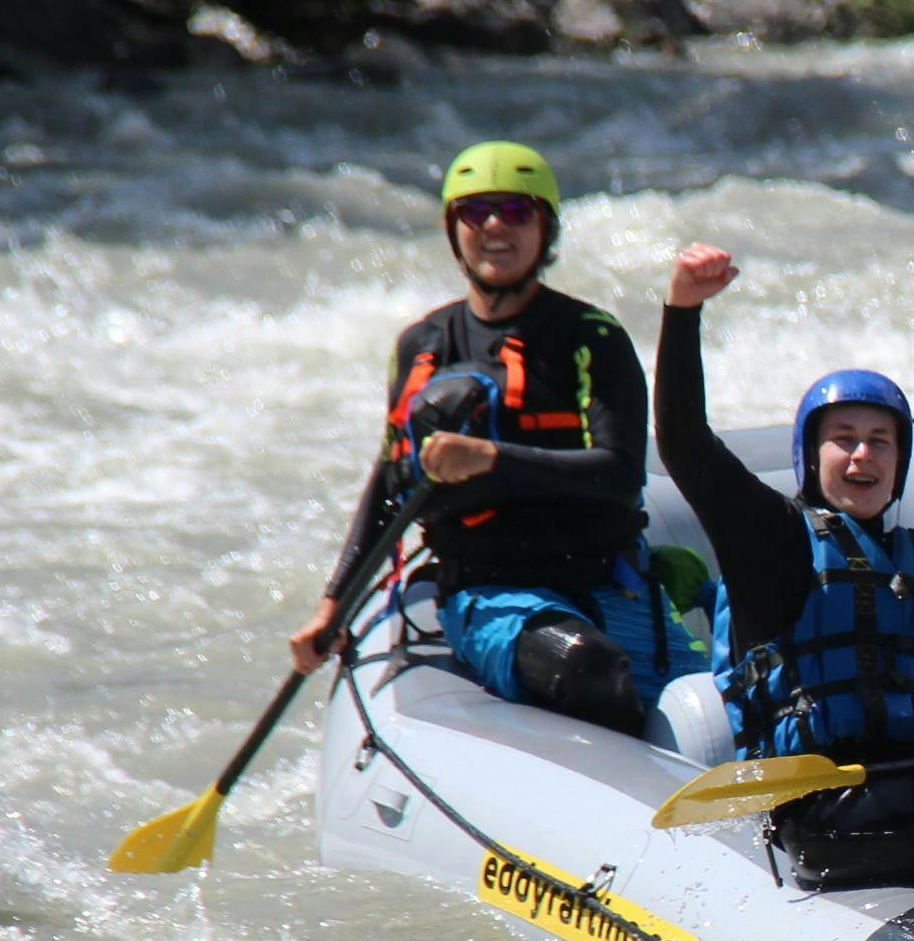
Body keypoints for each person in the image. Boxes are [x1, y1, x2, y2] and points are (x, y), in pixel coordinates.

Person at [291, 140, 700, 728]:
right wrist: (334, 604)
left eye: (515, 212)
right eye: (475, 212)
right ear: (453, 229)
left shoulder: (591, 338)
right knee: (587, 668)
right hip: (492, 595)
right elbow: (390, 480)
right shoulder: (422, 346)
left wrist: (490, 459)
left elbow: (618, 474)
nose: (493, 228)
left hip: (612, 581)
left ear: (546, 228)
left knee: (722, 715)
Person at [651, 241, 914, 888]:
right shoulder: (774, 536)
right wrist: (682, 311)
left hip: (913, 785)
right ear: (810, 455)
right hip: (818, 812)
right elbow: (684, 442)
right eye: (843, 438)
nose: (862, 456)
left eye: (880, 441)